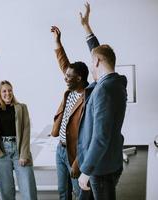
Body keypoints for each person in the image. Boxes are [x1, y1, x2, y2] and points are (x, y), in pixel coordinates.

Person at [77, 3, 127, 200]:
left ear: (97, 62)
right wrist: (86, 27)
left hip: (100, 167)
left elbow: (101, 137)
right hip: (107, 162)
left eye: (92, 62)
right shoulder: (117, 82)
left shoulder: (104, 90)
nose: (91, 65)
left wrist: (86, 170)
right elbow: (99, 54)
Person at [0, 47, 38, 200]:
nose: (7, 93)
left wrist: (24, 154)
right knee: (6, 192)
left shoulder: (21, 108)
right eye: (4, 91)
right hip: (1, 152)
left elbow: (26, 131)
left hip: (19, 150)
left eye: (10, 90)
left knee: (28, 190)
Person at [50, 25, 93, 200]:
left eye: (69, 76)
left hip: (75, 154)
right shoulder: (71, 89)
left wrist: (77, 161)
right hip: (60, 149)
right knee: (63, 192)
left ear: (79, 78)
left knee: (80, 192)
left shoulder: (89, 98)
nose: (65, 78)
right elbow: (64, 64)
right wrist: (57, 43)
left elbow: (88, 135)